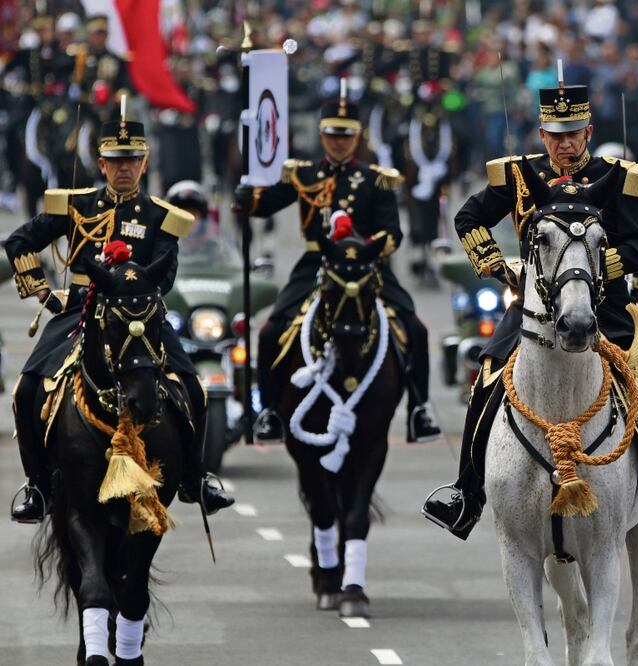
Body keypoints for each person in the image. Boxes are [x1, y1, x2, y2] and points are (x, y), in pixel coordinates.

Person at [422, 77, 638, 540]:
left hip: (606, 308)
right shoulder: (519, 175)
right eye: (555, 135)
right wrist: (497, 265)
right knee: (489, 374)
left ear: (588, 132)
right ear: (542, 136)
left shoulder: (618, 177)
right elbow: (468, 217)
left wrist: (591, 273)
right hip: (533, 310)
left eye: (573, 133)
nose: (565, 143)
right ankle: (467, 492)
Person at [7, 113, 234, 523]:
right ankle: (37, 486)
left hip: (139, 317)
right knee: (26, 389)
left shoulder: (160, 215)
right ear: (101, 162)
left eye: (132, 160)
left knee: (195, 389)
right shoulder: (77, 206)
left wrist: (131, 291)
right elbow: (19, 240)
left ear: (145, 163)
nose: (124, 168)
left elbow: (165, 274)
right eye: (116, 160)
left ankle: (195, 478)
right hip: (80, 308)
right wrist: (41, 289)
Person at [234, 94, 441, 444]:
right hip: (316, 263)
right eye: (333, 135)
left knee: (415, 329)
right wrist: (246, 196)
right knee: (270, 332)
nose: (339, 142)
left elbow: (394, 232)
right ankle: (268, 412)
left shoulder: (376, 179)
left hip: (366, 266)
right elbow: (263, 205)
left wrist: (363, 248)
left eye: (346, 136)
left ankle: (419, 410)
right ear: (321, 136)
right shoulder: (304, 175)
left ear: (358, 137)